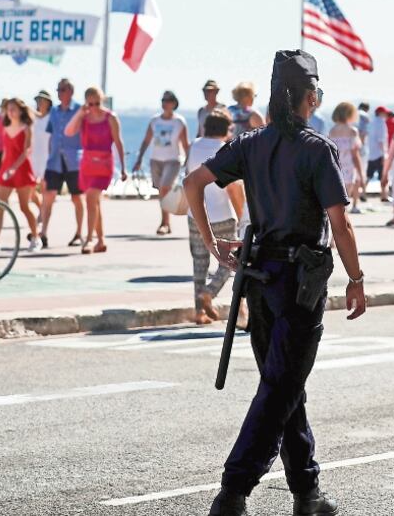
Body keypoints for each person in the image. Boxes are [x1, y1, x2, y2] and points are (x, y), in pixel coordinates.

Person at [184, 50, 367, 516]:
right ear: (309, 98)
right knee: (281, 389)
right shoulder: (315, 149)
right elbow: (340, 225)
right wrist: (357, 278)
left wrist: (213, 242)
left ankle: (307, 493)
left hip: (258, 278)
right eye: (318, 95)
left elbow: (193, 184)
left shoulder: (250, 143)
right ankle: (233, 490)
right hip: (298, 284)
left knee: (285, 385)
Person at [184, 109, 245, 325]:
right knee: (228, 262)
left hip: (195, 213)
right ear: (227, 128)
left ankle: (199, 312)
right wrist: (243, 216)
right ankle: (209, 293)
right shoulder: (225, 150)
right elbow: (233, 188)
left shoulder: (194, 145)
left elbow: (188, 176)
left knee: (199, 263)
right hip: (222, 214)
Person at [64, 87, 126, 254]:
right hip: (87, 164)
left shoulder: (110, 118)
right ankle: (101, 240)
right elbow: (68, 132)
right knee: (94, 202)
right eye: (90, 104)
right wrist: (79, 113)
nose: (94, 107)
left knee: (91, 198)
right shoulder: (84, 117)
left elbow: (118, 142)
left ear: (102, 100)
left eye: (97, 103)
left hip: (104, 164)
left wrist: (124, 168)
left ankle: (89, 239)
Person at [134, 90, 189, 236]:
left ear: (174, 103)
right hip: (156, 160)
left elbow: (185, 143)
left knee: (165, 188)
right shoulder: (155, 121)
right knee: (161, 191)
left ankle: (165, 223)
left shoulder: (179, 122)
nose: (165, 103)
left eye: (168, 100)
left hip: (173, 160)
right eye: (163, 100)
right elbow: (146, 140)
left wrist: (189, 162)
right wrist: (139, 159)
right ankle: (165, 221)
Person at [0, 97, 40, 253]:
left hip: (22, 170)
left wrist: (14, 167)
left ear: (20, 111)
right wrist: (1, 169)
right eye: (8, 109)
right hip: (6, 169)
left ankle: (36, 238)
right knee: (0, 205)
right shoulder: (5, 127)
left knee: (24, 206)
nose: (10, 112)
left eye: (13, 109)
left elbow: (27, 151)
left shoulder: (26, 128)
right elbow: (5, 151)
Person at [39, 78, 85, 249]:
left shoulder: (79, 110)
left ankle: (79, 232)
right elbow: (51, 135)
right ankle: (43, 233)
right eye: (58, 90)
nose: (60, 93)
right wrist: (49, 156)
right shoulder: (55, 112)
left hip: (74, 160)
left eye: (63, 89)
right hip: (55, 160)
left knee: (76, 197)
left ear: (70, 91)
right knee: (48, 196)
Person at [329, 102, 363, 213]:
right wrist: (361, 171)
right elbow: (355, 154)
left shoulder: (332, 131)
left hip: (336, 166)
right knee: (352, 188)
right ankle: (354, 207)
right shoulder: (352, 131)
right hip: (349, 165)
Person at [30, 90, 53, 223]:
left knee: (44, 189)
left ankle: (42, 215)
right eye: (38, 100)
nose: (40, 102)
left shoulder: (51, 118)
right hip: (33, 156)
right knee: (30, 190)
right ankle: (41, 210)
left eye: (43, 100)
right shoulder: (32, 117)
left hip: (46, 156)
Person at [366, 106, 390, 202]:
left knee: (368, 175)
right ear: (380, 113)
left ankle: (362, 193)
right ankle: (384, 195)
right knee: (383, 176)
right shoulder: (381, 122)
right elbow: (381, 140)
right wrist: (385, 153)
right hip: (380, 153)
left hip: (371, 153)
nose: (386, 115)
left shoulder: (371, 122)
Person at [355, 102, 371, 201]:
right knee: (361, 173)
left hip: (350, 147)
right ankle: (362, 194)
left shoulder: (353, 114)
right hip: (360, 147)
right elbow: (363, 133)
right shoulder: (365, 116)